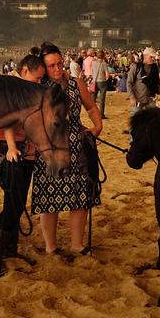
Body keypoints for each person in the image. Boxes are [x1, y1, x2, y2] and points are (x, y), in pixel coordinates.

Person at [31, 43, 103, 255]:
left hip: (76, 145)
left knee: (80, 195)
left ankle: (77, 244)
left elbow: (90, 107)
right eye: (51, 65)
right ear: (43, 67)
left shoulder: (75, 83)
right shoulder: (37, 87)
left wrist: (98, 125)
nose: (57, 69)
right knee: (48, 198)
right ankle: (51, 246)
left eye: (59, 63)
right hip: (48, 150)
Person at [0, 54, 46, 271]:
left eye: (41, 80)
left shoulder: (28, 90)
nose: (39, 83)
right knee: (12, 205)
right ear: (25, 70)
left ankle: (9, 249)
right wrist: (11, 147)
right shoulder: (12, 88)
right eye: (37, 78)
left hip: (27, 152)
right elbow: (7, 119)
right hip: (10, 152)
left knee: (17, 204)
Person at [127, 47, 160, 115]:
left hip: (151, 98)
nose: (153, 59)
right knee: (135, 118)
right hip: (138, 99)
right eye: (151, 57)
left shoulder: (154, 67)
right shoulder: (136, 67)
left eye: (154, 57)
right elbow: (129, 83)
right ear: (145, 56)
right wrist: (132, 97)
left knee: (154, 118)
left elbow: (157, 82)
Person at [90, 50, 110, 119]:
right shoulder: (104, 64)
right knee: (102, 99)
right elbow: (107, 74)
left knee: (93, 99)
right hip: (102, 81)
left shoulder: (93, 63)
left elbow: (92, 71)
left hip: (94, 81)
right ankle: (101, 114)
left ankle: (92, 114)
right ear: (103, 56)